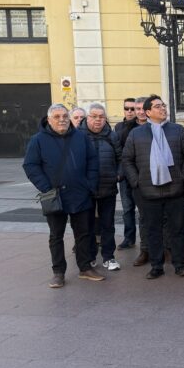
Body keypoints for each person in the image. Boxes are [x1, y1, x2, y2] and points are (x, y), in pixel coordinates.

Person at [23, 104, 104, 288]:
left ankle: (85, 267)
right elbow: (30, 166)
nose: (62, 120)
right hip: (54, 196)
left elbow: (92, 160)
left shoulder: (81, 137)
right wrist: (45, 188)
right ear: (49, 119)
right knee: (56, 236)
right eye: (57, 117)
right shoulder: (38, 140)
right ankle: (58, 272)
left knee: (84, 233)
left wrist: (90, 184)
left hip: (80, 194)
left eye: (65, 116)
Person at [122, 95, 184, 279]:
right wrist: (136, 182)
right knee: (152, 230)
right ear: (147, 112)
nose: (163, 108)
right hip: (148, 190)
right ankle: (156, 266)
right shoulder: (136, 134)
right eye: (158, 106)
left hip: (175, 189)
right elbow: (127, 159)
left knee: (177, 229)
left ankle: (179, 265)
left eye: (163, 105)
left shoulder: (177, 130)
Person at [80, 103, 122, 271]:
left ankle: (109, 257)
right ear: (87, 118)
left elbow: (121, 158)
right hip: (86, 190)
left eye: (101, 117)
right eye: (94, 116)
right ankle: (90, 257)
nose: (98, 120)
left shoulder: (112, 136)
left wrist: (119, 175)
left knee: (108, 224)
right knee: (87, 225)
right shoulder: (77, 136)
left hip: (108, 188)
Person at [114, 97, 140, 250]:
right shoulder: (118, 127)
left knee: (143, 210)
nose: (130, 111)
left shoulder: (140, 126)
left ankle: (146, 240)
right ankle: (129, 238)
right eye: (127, 108)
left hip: (139, 174)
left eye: (132, 109)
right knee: (127, 208)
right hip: (124, 175)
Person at [130, 96, 152, 266]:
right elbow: (125, 157)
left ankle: (165, 249)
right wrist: (134, 180)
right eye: (136, 109)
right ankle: (145, 250)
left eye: (142, 108)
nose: (140, 112)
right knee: (143, 218)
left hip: (161, 182)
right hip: (139, 183)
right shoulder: (127, 129)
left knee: (163, 218)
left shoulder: (161, 128)